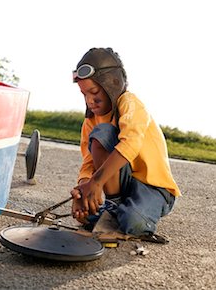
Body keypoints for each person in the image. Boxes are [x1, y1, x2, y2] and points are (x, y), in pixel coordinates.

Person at [70, 47, 180, 237]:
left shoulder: (130, 103)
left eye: (94, 92)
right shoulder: (90, 121)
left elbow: (130, 144)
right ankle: (115, 204)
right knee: (87, 214)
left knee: (133, 223)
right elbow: (88, 162)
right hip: (123, 186)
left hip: (153, 187)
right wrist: (83, 189)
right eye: (84, 94)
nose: (90, 100)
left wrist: (96, 183)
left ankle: (123, 212)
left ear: (112, 83)